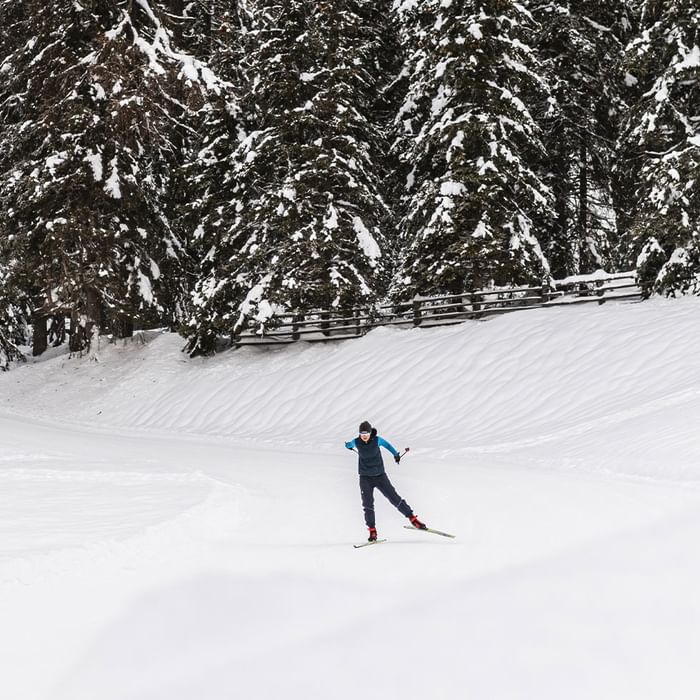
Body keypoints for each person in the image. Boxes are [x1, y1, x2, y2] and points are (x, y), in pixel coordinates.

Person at [345, 420, 427, 541]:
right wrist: (348, 445)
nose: (364, 437)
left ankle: (413, 519)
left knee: (393, 497)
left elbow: (388, 445)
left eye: (366, 434)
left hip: (380, 476)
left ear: (370, 433)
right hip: (365, 478)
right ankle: (372, 531)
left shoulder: (377, 440)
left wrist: (396, 454)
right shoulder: (356, 442)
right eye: (362, 435)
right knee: (367, 504)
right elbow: (349, 445)